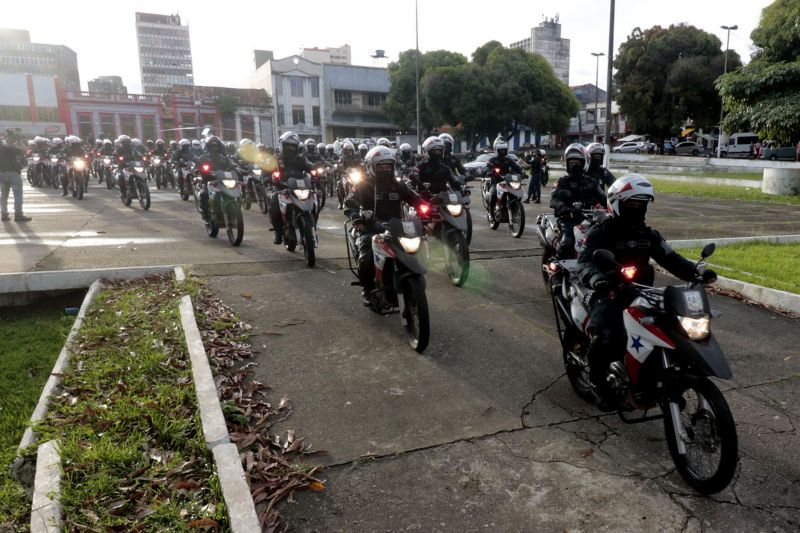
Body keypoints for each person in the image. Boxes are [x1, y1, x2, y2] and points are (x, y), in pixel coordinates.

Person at [577, 174, 717, 410]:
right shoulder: (601, 232)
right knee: (607, 335)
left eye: (641, 205)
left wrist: (695, 272)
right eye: (632, 204)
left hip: (642, 293)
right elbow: (584, 263)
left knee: (671, 329)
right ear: (618, 204)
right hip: (607, 292)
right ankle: (599, 384)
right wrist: (598, 279)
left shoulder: (648, 235)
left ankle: (655, 377)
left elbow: (671, 258)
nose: (637, 209)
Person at [344, 146, 426, 305]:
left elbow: (414, 198)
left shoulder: (397, 185)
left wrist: (426, 208)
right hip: (371, 228)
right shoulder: (363, 185)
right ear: (372, 167)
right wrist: (356, 216)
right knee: (366, 253)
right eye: (381, 166)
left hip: (398, 228)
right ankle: (367, 289)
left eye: (388, 166)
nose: (385, 169)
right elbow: (350, 202)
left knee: (415, 248)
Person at [549, 143, 606, 258]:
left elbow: (603, 198)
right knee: (568, 242)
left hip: (590, 218)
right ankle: (557, 267)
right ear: (567, 164)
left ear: (584, 163)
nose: (574, 166)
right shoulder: (562, 182)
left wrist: (611, 207)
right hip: (568, 218)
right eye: (572, 163)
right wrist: (564, 208)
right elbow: (554, 199)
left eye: (577, 163)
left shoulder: (592, 182)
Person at [269, 132, 313, 244]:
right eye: (287, 145)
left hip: (300, 187)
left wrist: (316, 169)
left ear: (297, 147)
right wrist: (266, 177)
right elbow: (266, 170)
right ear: (282, 146)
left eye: (293, 146)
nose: (290, 148)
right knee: (274, 200)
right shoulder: (276, 160)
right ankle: (278, 232)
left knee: (314, 200)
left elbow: (309, 166)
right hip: (282, 188)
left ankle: (311, 224)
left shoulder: (301, 159)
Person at [197, 136, 238, 221]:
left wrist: (236, 169)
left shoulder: (224, 158)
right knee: (203, 194)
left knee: (235, 190)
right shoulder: (203, 157)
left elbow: (232, 165)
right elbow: (198, 166)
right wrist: (199, 170)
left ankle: (234, 212)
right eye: (212, 146)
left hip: (223, 181)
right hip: (209, 181)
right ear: (208, 147)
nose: (214, 148)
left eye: (216, 146)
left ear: (219, 146)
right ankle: (206, 215)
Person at [486, 137, 523, 222]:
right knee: (493, 194)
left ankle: (513, 209)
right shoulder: (493, 160)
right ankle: (491, 213)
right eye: (501, 150)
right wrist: (490, 171)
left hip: (507, 181)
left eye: (504, 150)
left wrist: (522, 173)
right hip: (496, 182)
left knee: (516, 193)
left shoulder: (508, 160)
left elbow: (517, 168)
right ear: (496, 150)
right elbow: (488, 168)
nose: (503, 152)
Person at [0, 134, 31, 221]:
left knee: (3, 195)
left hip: (1, 174)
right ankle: (18, 214)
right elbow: (24, 151)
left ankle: (4, 214)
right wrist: (19, 140)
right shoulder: (7, 147)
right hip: (12, 173)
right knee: (17, 195)